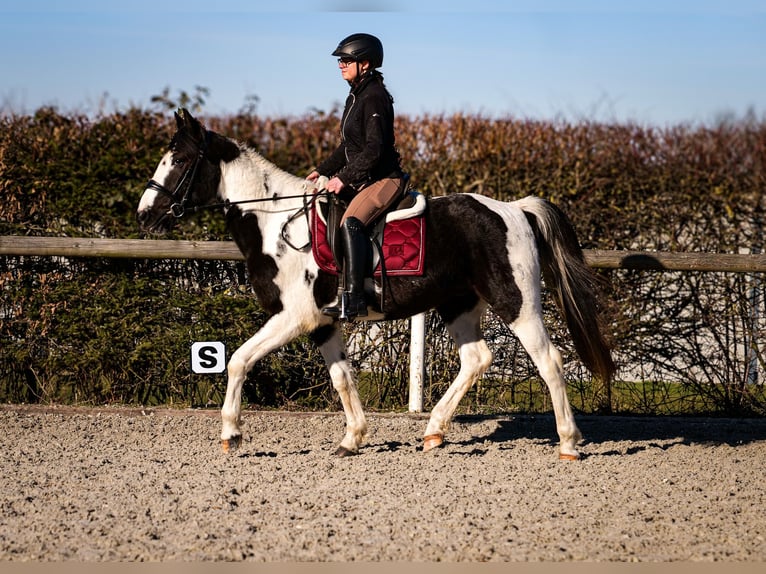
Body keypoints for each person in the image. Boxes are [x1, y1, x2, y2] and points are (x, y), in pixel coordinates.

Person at [307, 33, 406, 321]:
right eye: (340, 60)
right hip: (365, 178)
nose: (340, 64)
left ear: (365, 63)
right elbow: (349, 146)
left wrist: (345, 178)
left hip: (385, 180)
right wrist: (323, 170)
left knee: (352, 223)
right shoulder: (357, 94)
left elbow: (375, 149)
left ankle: (354, 298)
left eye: (346, 59)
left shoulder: (373, 97)